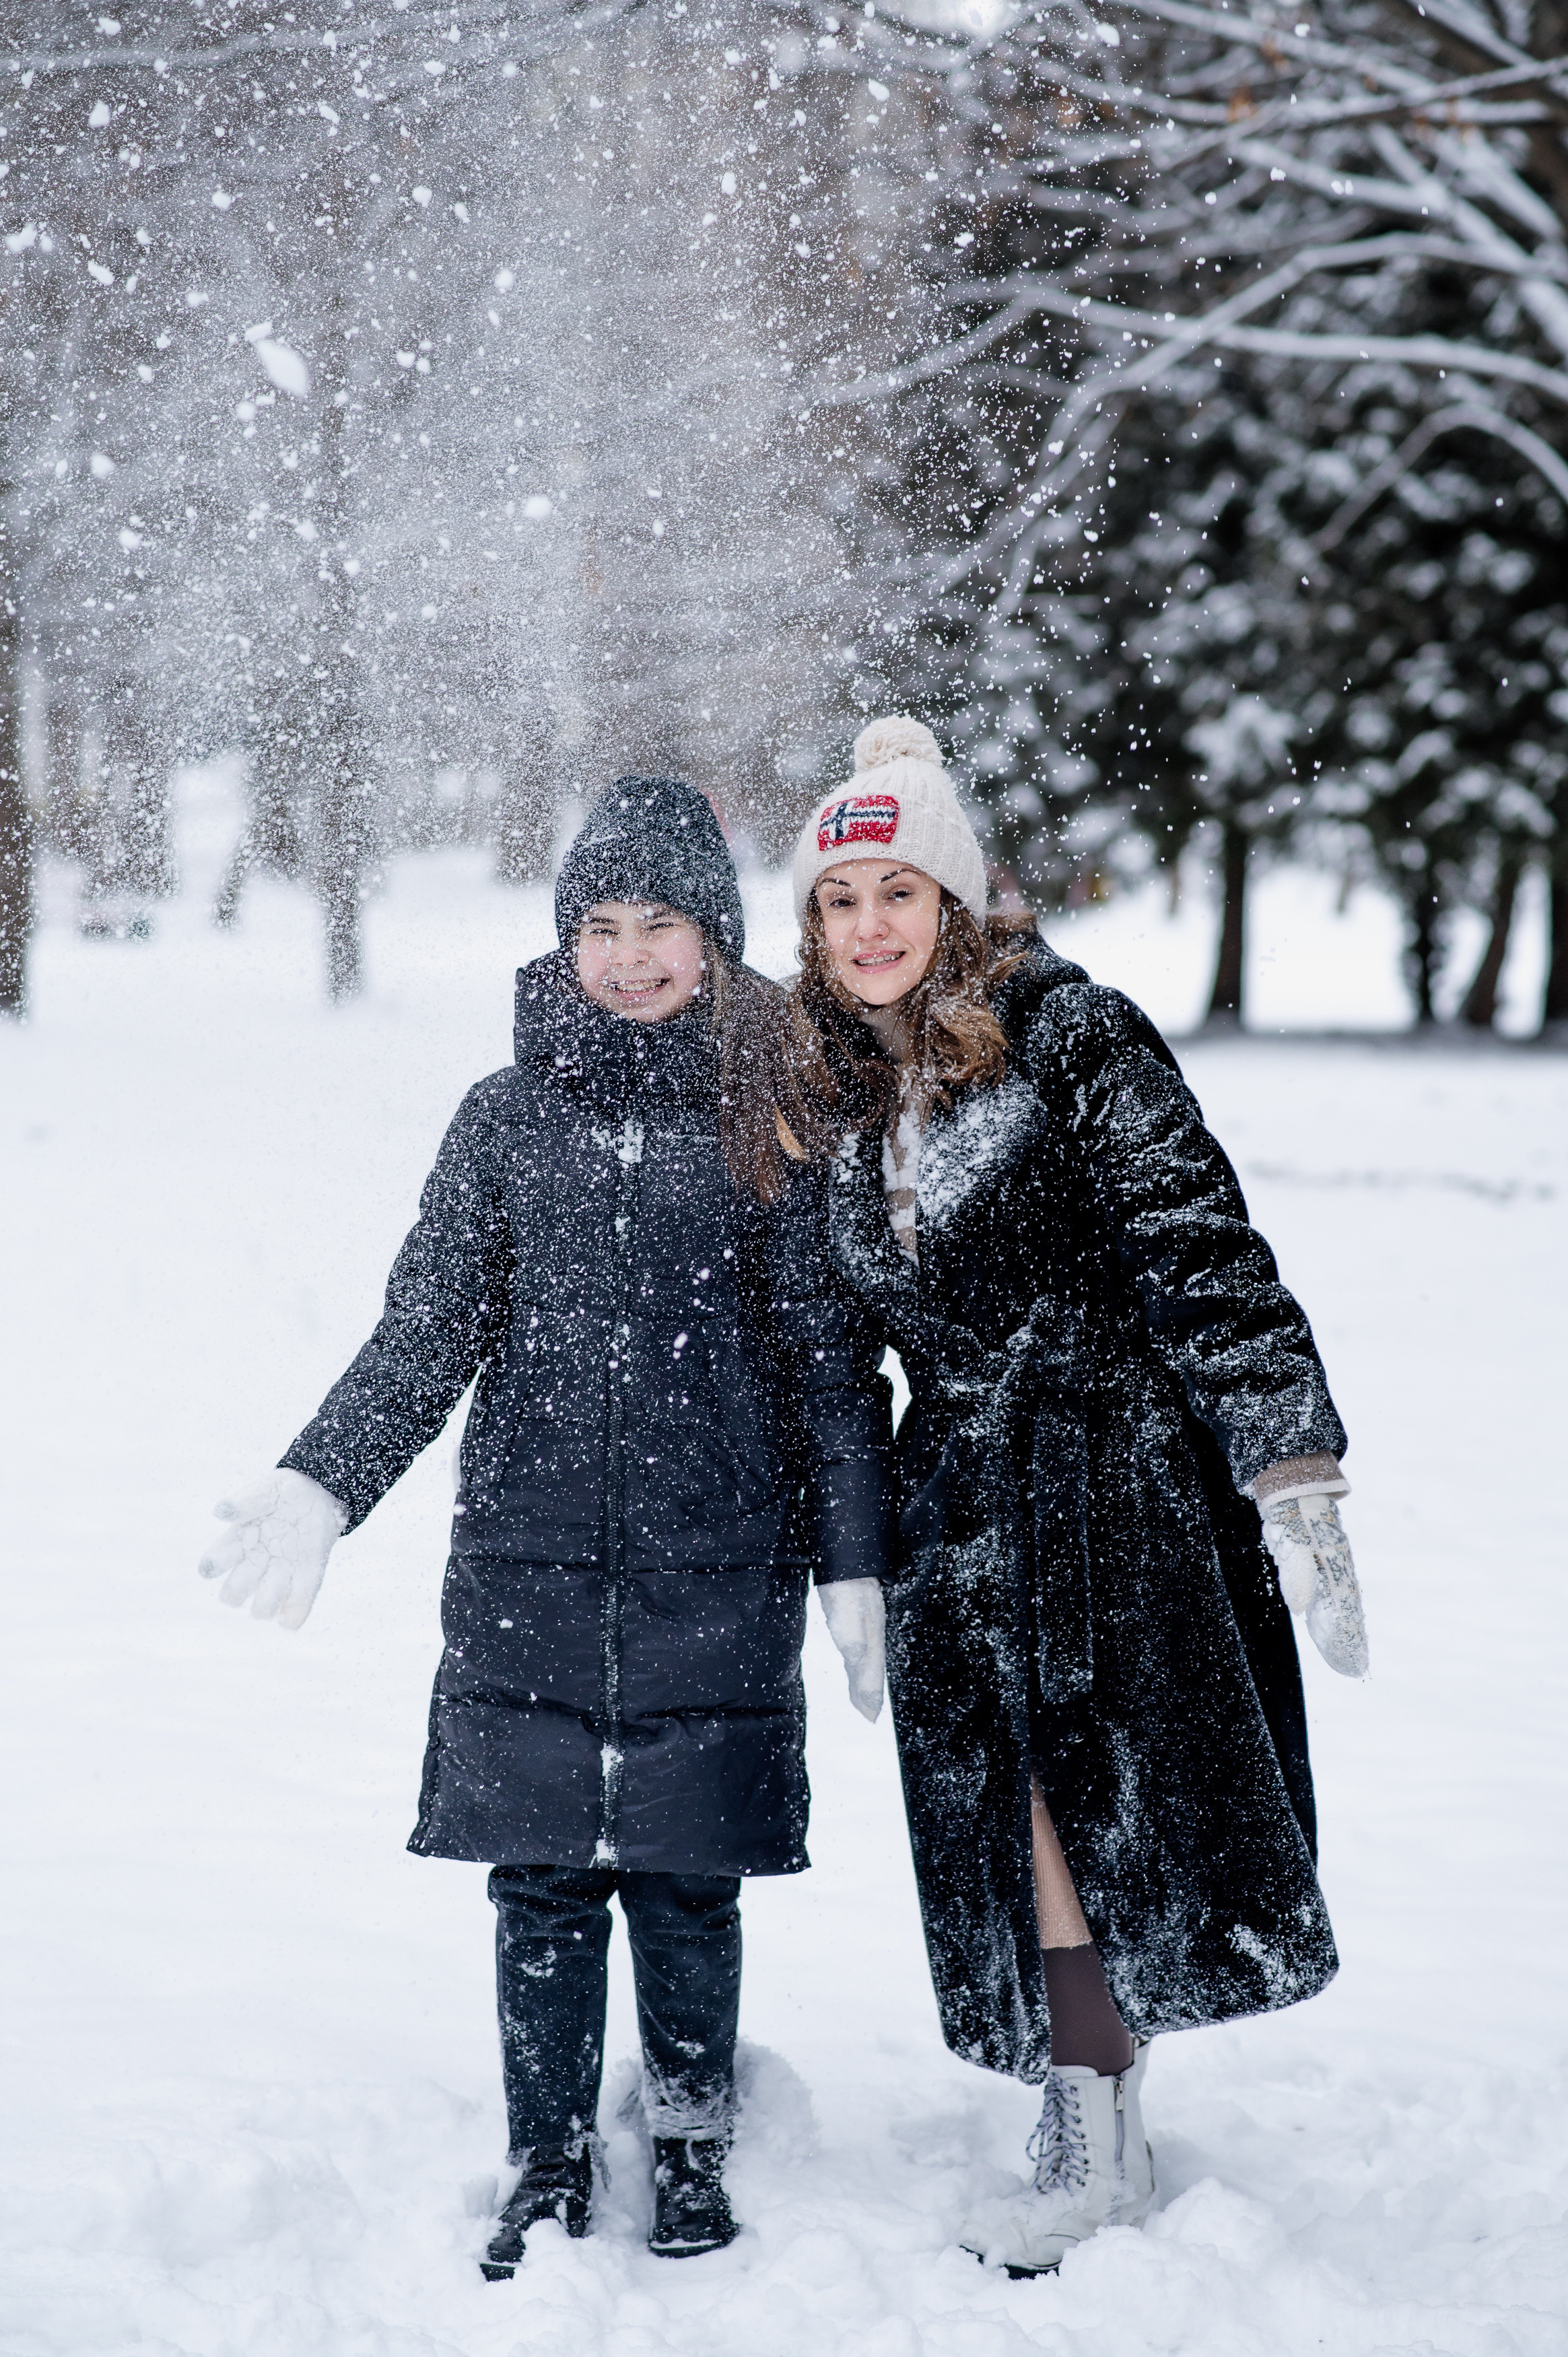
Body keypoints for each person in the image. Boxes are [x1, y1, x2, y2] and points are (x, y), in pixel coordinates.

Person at [197, 776, 893, 2274]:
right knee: (545, 1885)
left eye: (660, 923)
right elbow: (424, 1331)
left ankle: (695, 2143)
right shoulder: (503, 1122)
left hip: (723, 1567)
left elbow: (832, 1361)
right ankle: (547, 2155)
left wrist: (853, 1555)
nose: (629, 953)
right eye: (599, 924)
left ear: (713, 935)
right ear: (563, 940)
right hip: (530, 1571)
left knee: (690, 1880)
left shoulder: (777, 1113)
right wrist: (326, 1478)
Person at [779, 716, 1368, 2278]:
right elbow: (837, 1352)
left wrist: (1288, 1455)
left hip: (1116, 1494)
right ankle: (1081, 2094)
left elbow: (1200, 1245)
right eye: (841, 903)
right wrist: (847, 1554)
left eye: (900, 892)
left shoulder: (1075, 1036)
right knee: (1006, 1828)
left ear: (959, 902)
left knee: (1080, 1815)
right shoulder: (834, 1093)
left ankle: (1091, 2123)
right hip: (955, 1518)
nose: (870, 927)